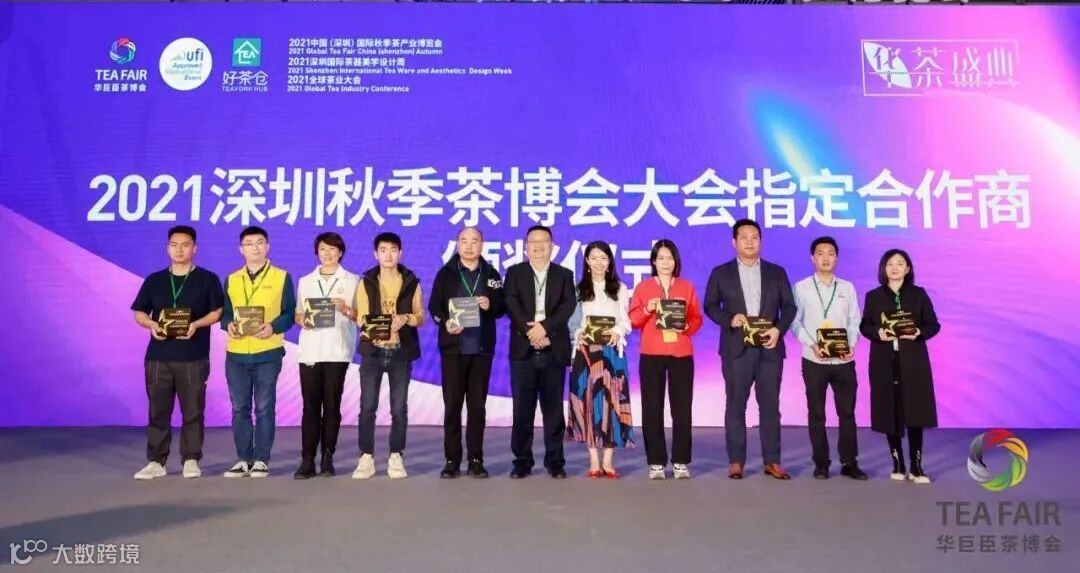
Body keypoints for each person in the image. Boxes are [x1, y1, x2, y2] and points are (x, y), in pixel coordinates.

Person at [704, 219, 797, 480]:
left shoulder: (776, 272)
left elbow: (790, 307)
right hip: (737, 349)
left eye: (755, 237)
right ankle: (736, 461)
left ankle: (772, 461)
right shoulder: (721, 273)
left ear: (760, 241)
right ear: (734, 242)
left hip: (769, 349)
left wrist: (778, 330)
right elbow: (710, 305)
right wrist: (729, 319)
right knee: (736, 405)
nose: (749, 242)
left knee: (770, 407)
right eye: (744, 238)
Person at [131, 225, 223, 480]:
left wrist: (196, 324)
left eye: (185, 245)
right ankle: (156, 461)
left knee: (193, 411)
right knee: (157, 411)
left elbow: (217, 312)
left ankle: (191, 459)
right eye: (174, 245)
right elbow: (139, 312)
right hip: (158, 357)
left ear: (195, 248)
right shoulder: (154, 280)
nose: (179, 250)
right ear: (167, 248)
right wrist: (151, 325)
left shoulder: (207, 279)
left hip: (193, 357)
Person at [427, 227, 506, 479]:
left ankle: (476, 459)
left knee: (477, 408)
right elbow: (434, 308)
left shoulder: (491, 274)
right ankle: (452, 459)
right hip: (453, 350)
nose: (469, 246)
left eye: (474, 241)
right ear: (457, 244)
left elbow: (502, 309)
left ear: (482, 245)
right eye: (464, 241)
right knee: (452, 407)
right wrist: (445, 322)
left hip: (481, 350)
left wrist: (491, 304)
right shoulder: (446, 273)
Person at [221, 226, 297, 478]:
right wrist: (228, 325)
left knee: (264, 408)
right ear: (240, 249)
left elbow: (289, 313)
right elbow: (226, 313)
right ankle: (244, 459)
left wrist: (273, 327)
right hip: (236, 354)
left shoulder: (281, 277)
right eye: (249, 243)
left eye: (260, 242)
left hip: (268, 352)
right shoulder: (232, 279)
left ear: (268, 247)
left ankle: (261, 459)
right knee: (239, 408)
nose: (255, 248)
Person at [859, 249, 940, 484]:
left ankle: (916, 466)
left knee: (915, 411)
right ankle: (898, 462)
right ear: (883, 269)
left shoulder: (918, 294)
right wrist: (878, 332)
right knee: (889, 410)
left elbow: (933, 324)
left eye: (900, 263)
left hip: (913, 361)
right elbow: (865, 326)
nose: (894, 268)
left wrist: (918, 332)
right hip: (884, 361)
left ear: (908, 269)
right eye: (890, 264)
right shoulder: (873, 296)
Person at [791, 236, 867, 480]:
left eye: (830, 253)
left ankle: (849, 462)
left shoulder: (847, 288)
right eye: (820, 253)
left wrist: (851, 344)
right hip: (814, 360)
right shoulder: (801, 287)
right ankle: (821, 463)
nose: (825, 258)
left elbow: (855, 320)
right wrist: (812, 344)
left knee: (847, 413)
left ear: (837, 258)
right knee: (816, 413)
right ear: (812, 258)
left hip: (843, 361)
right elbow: (795, 322)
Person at [503, 225, 576, 479]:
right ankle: (522, 462)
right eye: (533, 242)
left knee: (553, 411)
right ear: (526, 247)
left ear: (552, 246)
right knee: (522, 411)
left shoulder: (564, 274)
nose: (538, 246)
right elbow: (510, 303)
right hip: (523, 351)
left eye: (543, 242)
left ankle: (555, 462)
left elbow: (567, 306)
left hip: (553, 349)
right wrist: (530, 332)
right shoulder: (515, 272)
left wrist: (545, 329)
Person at [352, 232, 425, 480]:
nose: (388, 255)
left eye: (393, 250)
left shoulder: (411, 281)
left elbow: (420, 317)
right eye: (383, 250)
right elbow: (361, 317)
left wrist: (406, 318)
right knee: (367, 407)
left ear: (400, 253)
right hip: (373, 351)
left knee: (399, 409)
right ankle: (366, 456)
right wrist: (377, 325)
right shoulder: (366, 281)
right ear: (376, 254)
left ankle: (396, 455)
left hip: (400, 351)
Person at [628, 239, 703, 480]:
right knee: (652, 408)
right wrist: (647, 309)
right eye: (660, 258)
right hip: (652, 353)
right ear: (653, 261)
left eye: (669, 258)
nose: (665, 262)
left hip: (681, 352)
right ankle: (656, 462)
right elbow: (633, 320)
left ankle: (681, 461)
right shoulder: (643, 288)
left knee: (682, 408)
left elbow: (697, 318)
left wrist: (687, 326)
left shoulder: (686, 286)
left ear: (676, 261)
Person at [292, 232, 360, 479]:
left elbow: (360, 316)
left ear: (340, 252)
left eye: (333, 249)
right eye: (323, 249)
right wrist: (302, 321)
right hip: (310, 350)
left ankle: (328, 456)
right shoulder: (305, 281)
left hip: (337, 350)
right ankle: (307, 459)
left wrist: (346, 309)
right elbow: (298, 313)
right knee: (310, 406)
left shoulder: (353, 280)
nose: (328, 253)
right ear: (317, 252)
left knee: (332, 405)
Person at [566, 241, 634, 479]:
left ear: (609, 262)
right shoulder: (578, 289)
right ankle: (594, 459)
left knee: (612, 403)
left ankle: (608, 460)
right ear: (586, 261)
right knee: (588, 403)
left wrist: (618, 330)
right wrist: (579, 332)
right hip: (586, 352)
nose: (598, 262)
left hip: (612, 353)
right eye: (593, 258)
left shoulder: (620, 288)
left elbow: (626, 319)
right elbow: (573, 322)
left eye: (603, 258)